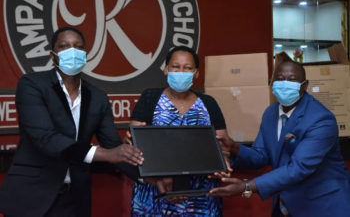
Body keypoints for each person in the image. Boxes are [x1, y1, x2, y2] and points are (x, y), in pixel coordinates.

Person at [0, 27, 144, 217]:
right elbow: (45, 138)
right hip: (31, 196)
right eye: (64, 47)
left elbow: (114, 147)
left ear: (85, 54)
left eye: (78, 47)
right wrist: (105, 153)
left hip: (74, 200)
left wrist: (148, 177)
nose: (72, 52)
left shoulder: (98, 97)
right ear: (53, 55)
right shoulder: (32, 85)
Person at [209, 60, 350, 217]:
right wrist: (233, 147)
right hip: (286, 205)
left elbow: (299, 168)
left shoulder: (321, 119)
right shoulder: (271, 113)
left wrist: (247, 186)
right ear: (272, 82)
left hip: (322, 206)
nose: (285, 84)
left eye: (292, 79)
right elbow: (261, 155)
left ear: (304, 85)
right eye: (280, 78)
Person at [124, 46, 229, 216]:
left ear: (196, 73)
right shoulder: (150, 98)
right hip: (156, 194)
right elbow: (133, 143)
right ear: (166, 70)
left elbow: (223, 146)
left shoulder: (208, 103)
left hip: (200, 198)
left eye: (187, 68)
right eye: (175, 67)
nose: (181, 72)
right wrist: (129, 142)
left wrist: (224, 160)